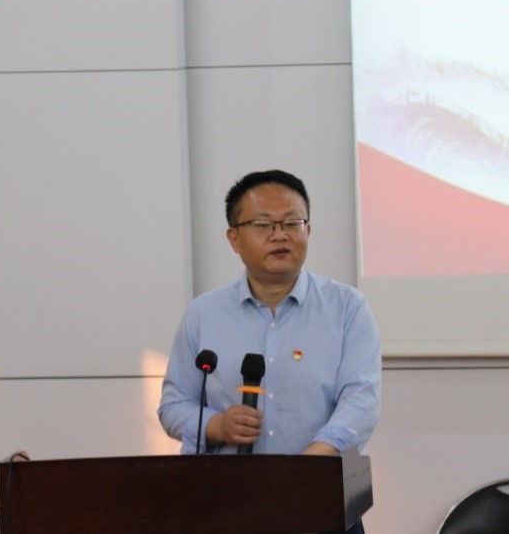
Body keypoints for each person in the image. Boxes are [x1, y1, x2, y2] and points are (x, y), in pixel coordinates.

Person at [158, 170, 381, 533]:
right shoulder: (202, 314)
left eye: (292, 223)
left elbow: (361, 404)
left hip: (324, 501)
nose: (280, 235)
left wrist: (304, 468)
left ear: (308, 230)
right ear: (234, 238)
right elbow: (173, 406)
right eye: (263, 224)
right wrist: (217, 425)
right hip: (228, 504)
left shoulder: (347, 308)